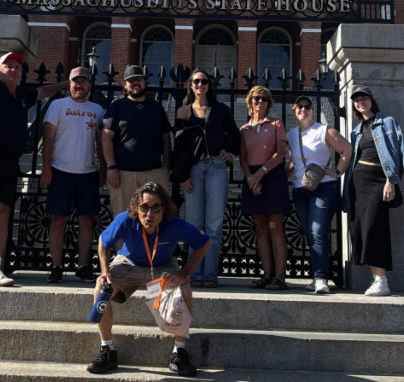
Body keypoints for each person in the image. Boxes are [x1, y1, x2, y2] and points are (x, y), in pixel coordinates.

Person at [0, 52, 64, 286]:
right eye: (8, 66)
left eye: (17, 67)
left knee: (3, 213)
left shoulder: (21, 95)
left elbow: (42, 92)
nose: (14, 69)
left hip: (10, 162)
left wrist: (64, 84)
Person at [86, 181, 210, 377]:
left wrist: (184, 273)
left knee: (184, 290)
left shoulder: (174, 224)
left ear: (164, 210)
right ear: (137, 207)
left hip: (162, 266)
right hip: (128, 263)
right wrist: (104, 272)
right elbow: (103, 241)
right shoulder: (124, 220)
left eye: (155, 209)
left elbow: (204, 242)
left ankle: (179, 351)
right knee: (102, 291)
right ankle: (106, 350)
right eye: (144, 208)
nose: (149, 214)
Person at [342, 86, 404, 297]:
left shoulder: (387, 122)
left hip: (378, 182)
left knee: (374, 228)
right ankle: (376, 278)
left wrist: (391, 181)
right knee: (360, 231)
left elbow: (401, 154)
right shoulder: (356, 130)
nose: (360, 102)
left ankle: (382, 280)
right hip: (358, 185)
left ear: (372, 100)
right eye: (356, 100)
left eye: (364, 98)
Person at [172, 70, 241, 287]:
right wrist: (182, 175)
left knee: (214, 223)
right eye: (196, 81)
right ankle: (194, 273)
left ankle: (209, 274)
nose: (200, 85)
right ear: (190, 85)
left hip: (216, 167)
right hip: (193, 170)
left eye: (204, 81)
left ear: (209, 85)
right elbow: (179, 146)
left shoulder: (221, 110)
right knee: (194, 224)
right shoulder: (183, 111)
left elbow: (235, 135)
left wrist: (230, 153)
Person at [40, 66, 105, 284]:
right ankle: (56, 265)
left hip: (87, 172)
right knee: (58, 220)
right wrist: (46, 167)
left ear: (90, 85)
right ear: (70, 84)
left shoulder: (97, 109)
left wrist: (103, 169)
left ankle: (83, 265)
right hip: (60, 170)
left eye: (84, 82)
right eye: (76, 82)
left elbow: (100, 142)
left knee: (87, 221)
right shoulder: (58, 106)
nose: (80, 85)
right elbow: (48, 139)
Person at [287, 96, 352, 294]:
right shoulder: (291, 135)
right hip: (300, 188)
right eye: (299, 106)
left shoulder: (323, 130)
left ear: (312, 111)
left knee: (317, 231)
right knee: (309, 233)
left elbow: (347, 149)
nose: (303, 109)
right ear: (294, 110)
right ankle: (317, 275)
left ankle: (321, 278)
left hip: (323, 187)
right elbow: (294, 162)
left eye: (307, 107)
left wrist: (338, 172)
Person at [101, 65, 172, 218]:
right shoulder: (117, 107)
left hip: (154, 173)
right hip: (123, 174)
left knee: (157, 219)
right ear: (125, 85)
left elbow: (166, 139)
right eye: (131, 81)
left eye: (138, 80)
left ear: (144, 82)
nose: (135, 83)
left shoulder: (156, 107)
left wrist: (166, 167)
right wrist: (111, 167)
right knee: (124, 219)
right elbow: (106, 137)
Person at [239, 85, 291, 290]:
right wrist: (251, 178)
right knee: (260, 228)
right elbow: (242, 157)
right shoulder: (243, 129)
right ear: (250, 102)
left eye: (263, 99)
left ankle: (280, 277)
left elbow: (280, 154)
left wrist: (260, 174)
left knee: (275, 227)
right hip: (252, 178)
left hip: (272, 175)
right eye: (256, 98)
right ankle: (267, 275)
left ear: (269, 103)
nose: (259, 102)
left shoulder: (276, 123)